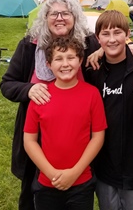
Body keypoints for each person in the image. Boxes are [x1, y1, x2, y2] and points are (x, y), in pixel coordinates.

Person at [0, 0, 100, 210]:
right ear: (45, 18)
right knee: (32, 197)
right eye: (53, 13)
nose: (60, 18)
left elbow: (114, 50)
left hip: (78, 137)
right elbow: (7, 84)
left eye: (66, 13)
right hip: (37, 136)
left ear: (75, 17)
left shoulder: (88, 42)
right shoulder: (29, 45)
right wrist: (28, 89)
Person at [24, 37, 107, 210]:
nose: (65, 64)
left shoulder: (92, 94)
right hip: (47, 183)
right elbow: (29, 141)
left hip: (81, 183)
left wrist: (75, 172)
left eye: (71, 57)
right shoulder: (40, 96)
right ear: (48, 64)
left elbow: (98, 137)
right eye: (58, 59)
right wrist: (51, 173)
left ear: (80, 60)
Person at [84, 10, 133, 210]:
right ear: (97, 38)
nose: (112, 39)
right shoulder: (92, 70)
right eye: (105, 34)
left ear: (128, 35)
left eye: (117, 33)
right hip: (104, 163)